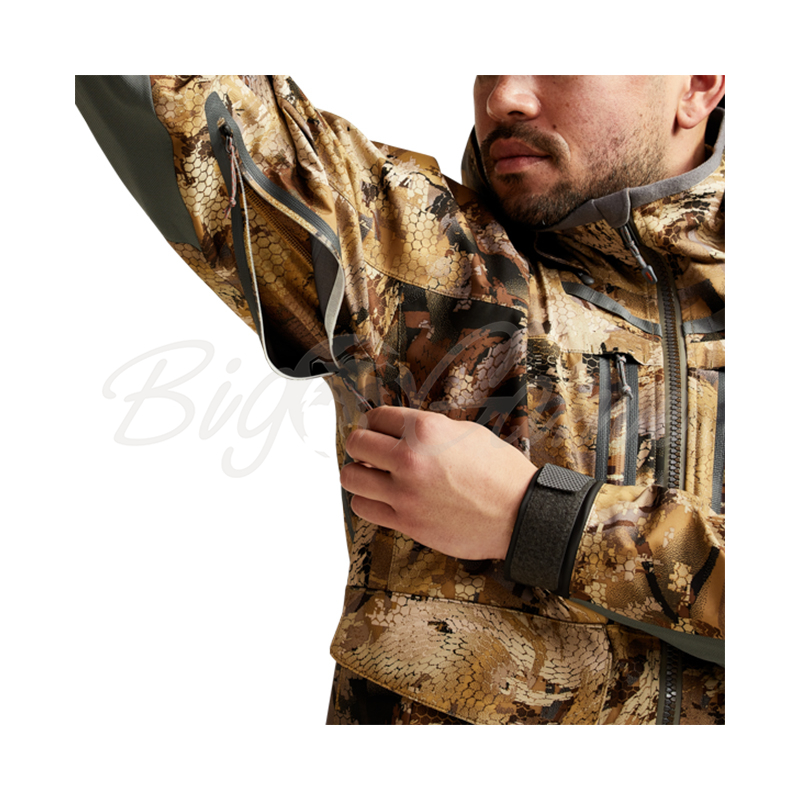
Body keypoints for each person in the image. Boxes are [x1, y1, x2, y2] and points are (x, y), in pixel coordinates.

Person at [76, 75, 725, 724]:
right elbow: (163, 86)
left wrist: (535, 518)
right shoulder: (416, 245)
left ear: (697, 83)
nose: (503, 96)